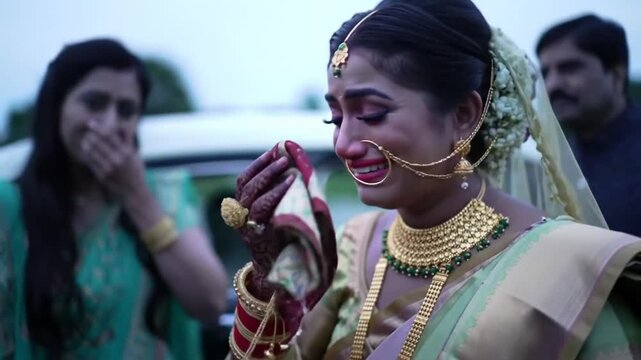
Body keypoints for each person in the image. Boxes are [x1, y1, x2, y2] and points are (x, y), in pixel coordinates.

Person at [221, 0, 641, 359]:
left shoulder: (568, 272)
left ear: (463, 116)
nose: (344, 143)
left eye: (370, 113)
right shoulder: (352, 247)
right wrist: (266, 283)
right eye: (336, 117)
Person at [0, 38, 228, 359]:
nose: (109, 124)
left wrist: (136, 195)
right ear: (57, 108)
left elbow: (210, 302)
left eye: (126, 110)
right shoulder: (11, 207)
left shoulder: (164, 193)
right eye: (94, 103)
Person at [536, 14, 641, 237]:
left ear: (616, 75)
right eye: (546, 73)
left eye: (570, 68)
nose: (553, 84)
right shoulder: (555, 162)